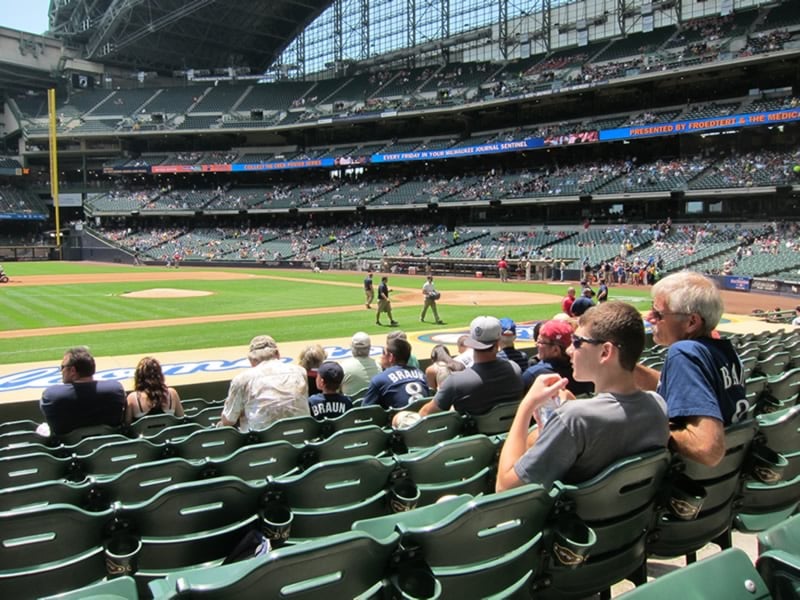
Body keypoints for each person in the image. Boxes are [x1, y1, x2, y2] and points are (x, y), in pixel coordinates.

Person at [496, 301, 670, 491]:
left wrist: (527, 405)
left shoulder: (574, 419)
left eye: (577, 342)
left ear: (605, 352)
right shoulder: (658, 404)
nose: (570, 350)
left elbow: (505, 487)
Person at [636, 271, 747, 466]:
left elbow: (707, 449)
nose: (649, 317)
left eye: (658, 313)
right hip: (728, 474)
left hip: (693, 479)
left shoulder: (684, 352)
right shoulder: (723, 350)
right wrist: (626, 368)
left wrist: (644, 426)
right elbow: (682, 387)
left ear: (691, 322)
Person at [419, 316, 524, 416]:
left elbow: (426, 413)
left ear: (470, 344)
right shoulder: (515, 369)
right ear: (497, 344)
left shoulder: (456, 381)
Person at [219, 335, 309, 432]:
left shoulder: (242, 379)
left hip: (261, 442)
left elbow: (228, 421)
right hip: (301, 435)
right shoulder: (300, 371)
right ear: (278, 354)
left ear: (251, 360)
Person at [40, 346, 126, 437]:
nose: (61, 371)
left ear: (73, 370)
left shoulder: (51, 395)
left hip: (68, 449)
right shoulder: (115, 390)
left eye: (62, 367)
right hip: (110, 445)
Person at [521, 320, 594, 397]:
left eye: (540, 342)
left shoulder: (534, 375)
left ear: (555, 350)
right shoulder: (587, 371)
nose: (536, 345)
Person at [361, 337, 430, 409]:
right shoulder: (421, 374)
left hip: (399, 418)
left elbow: (366, 411)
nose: (381, 356)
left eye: (383, 353)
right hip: (423, 418)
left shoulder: (379, 379)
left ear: (391, 357)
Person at [125, 356, 184, 424]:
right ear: (159, 375)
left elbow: (127, 425)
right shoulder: (172, 393)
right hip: (170, 434)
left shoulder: (133, 398)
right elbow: (181, 419)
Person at [339, 332, 381, 396]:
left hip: (351, 406)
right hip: (374, 405)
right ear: (369, 347)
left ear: (352, 347)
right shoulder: (378, 367)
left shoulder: (343, 367)